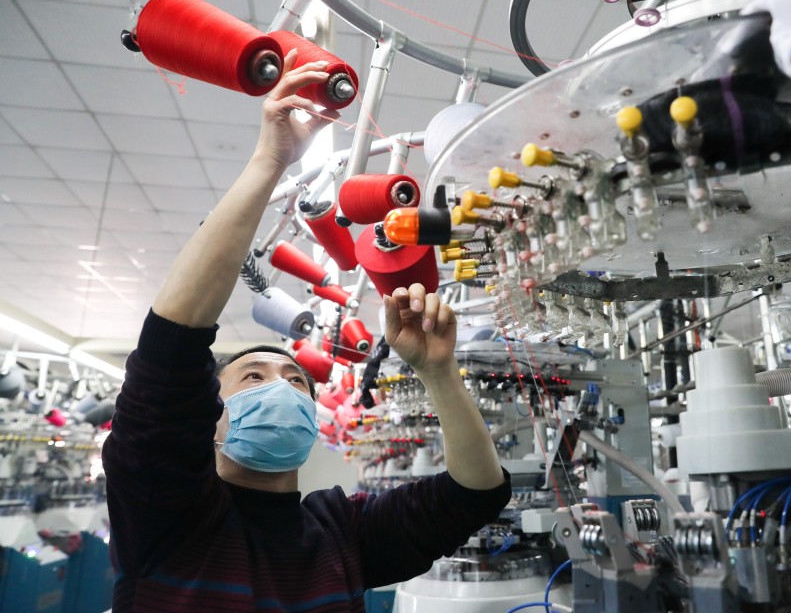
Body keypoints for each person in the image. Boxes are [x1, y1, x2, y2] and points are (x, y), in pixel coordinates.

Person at [102, 51, 510, 612]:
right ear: (209, 417)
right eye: (252, 375)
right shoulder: (164, 515)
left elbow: (476, 493)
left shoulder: (343, 532)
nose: (284, 387)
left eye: (297, 380)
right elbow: (170, 347)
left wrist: (439, 373)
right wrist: (271, 160)